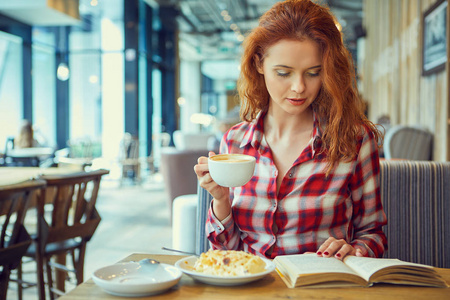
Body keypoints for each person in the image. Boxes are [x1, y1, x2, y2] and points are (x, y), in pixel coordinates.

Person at [194, 0, 387, 260]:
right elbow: (226, 253)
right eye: (284, 73)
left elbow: (373, 233)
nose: (299, 87)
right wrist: (221, 200)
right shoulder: (236, 142)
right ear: (260, 64)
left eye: (313, 73)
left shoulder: (353, 139)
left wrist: (355, 250)